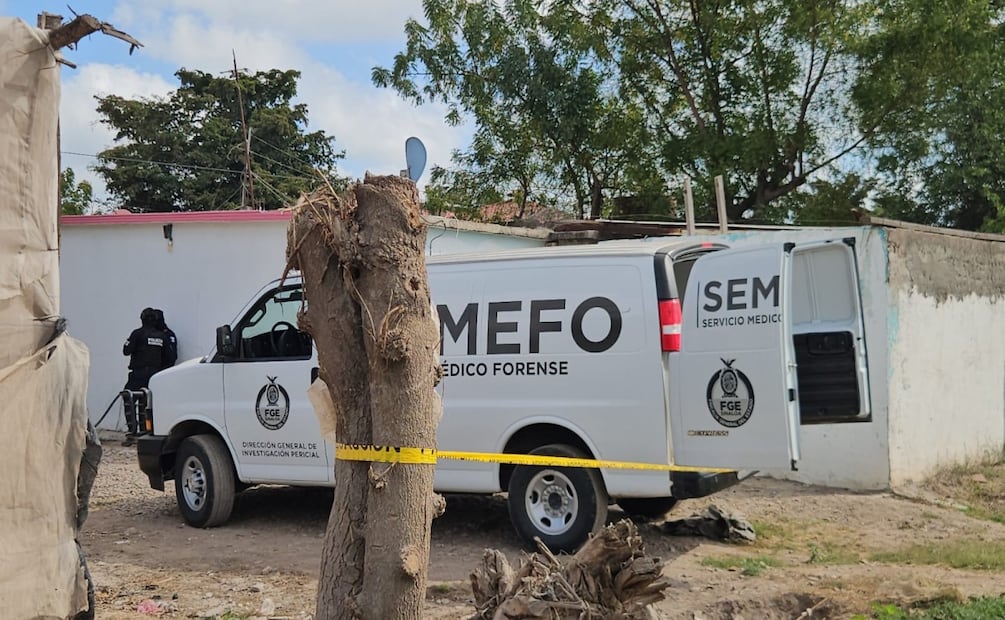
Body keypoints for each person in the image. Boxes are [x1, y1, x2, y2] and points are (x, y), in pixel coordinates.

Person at [122, 308, 167, 439]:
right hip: (154, 374)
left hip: (138, 374)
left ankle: (132, 429)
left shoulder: (137, 334)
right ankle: (145, 429)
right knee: (146, 402)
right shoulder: (162, 336)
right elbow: (168, 357)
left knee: (128, 398)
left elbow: (126, 350)